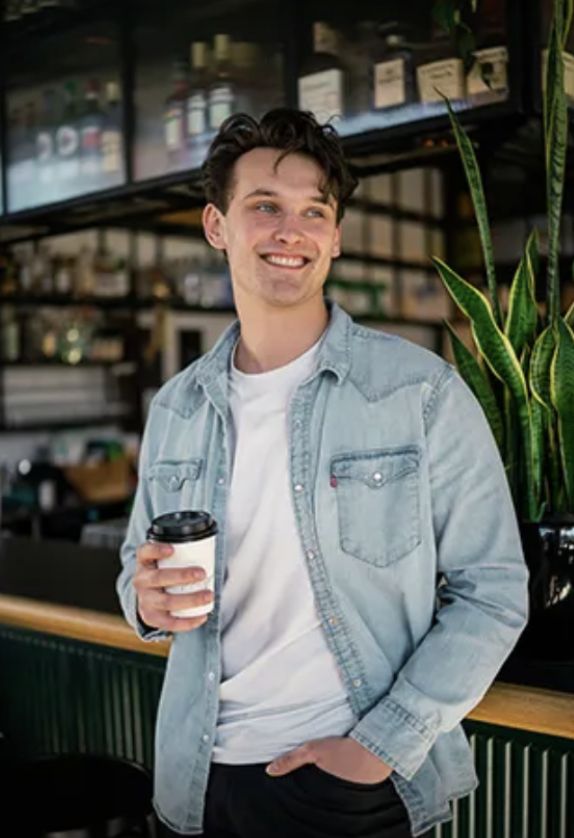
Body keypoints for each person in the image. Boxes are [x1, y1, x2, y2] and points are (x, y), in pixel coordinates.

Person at [117, 108, 529, 838]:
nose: (291, 231)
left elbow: (493, 590)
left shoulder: (419, 392)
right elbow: (134, 568)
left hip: (347, 782)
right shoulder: (177, 407)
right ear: (216, 225)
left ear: (335, 237)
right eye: (264, 206)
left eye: (314, 211)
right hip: (197, 780)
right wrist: (145, 601)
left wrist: (381, 747)